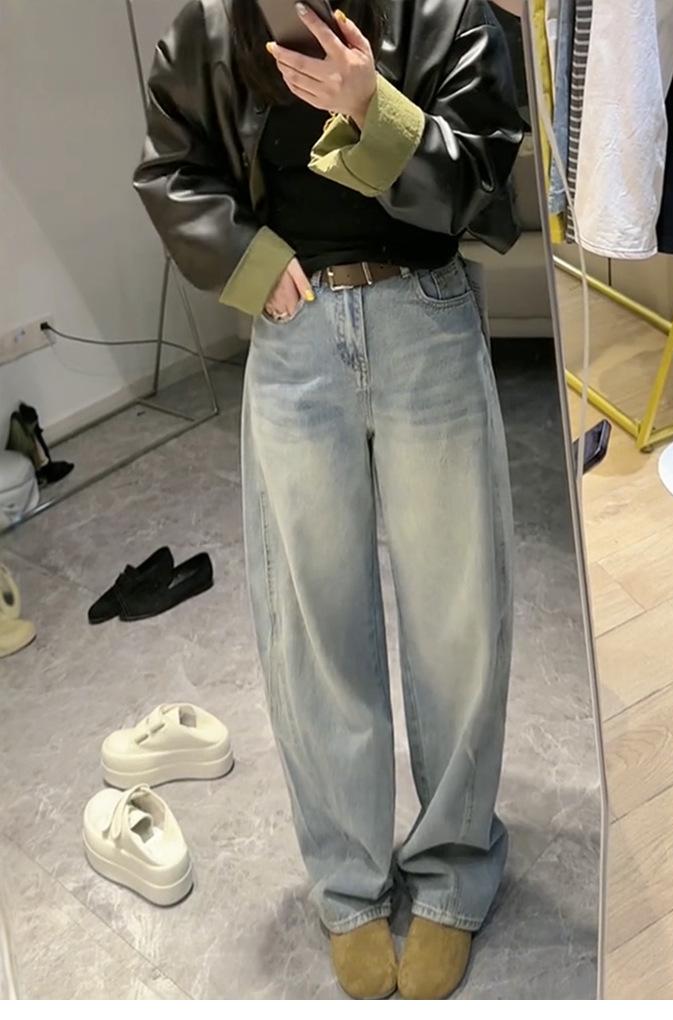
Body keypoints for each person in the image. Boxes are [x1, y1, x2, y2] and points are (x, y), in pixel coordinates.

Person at [134, 0, 522, 1000]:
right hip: (295, 331)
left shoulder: (443, 11)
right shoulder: (210, 27)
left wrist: (374, 111)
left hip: (425, 316)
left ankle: (453, 872)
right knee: (313, 621)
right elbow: (172, 167)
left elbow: (487, 177)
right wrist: (249, 263)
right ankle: (348, 883)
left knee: (458, 616)